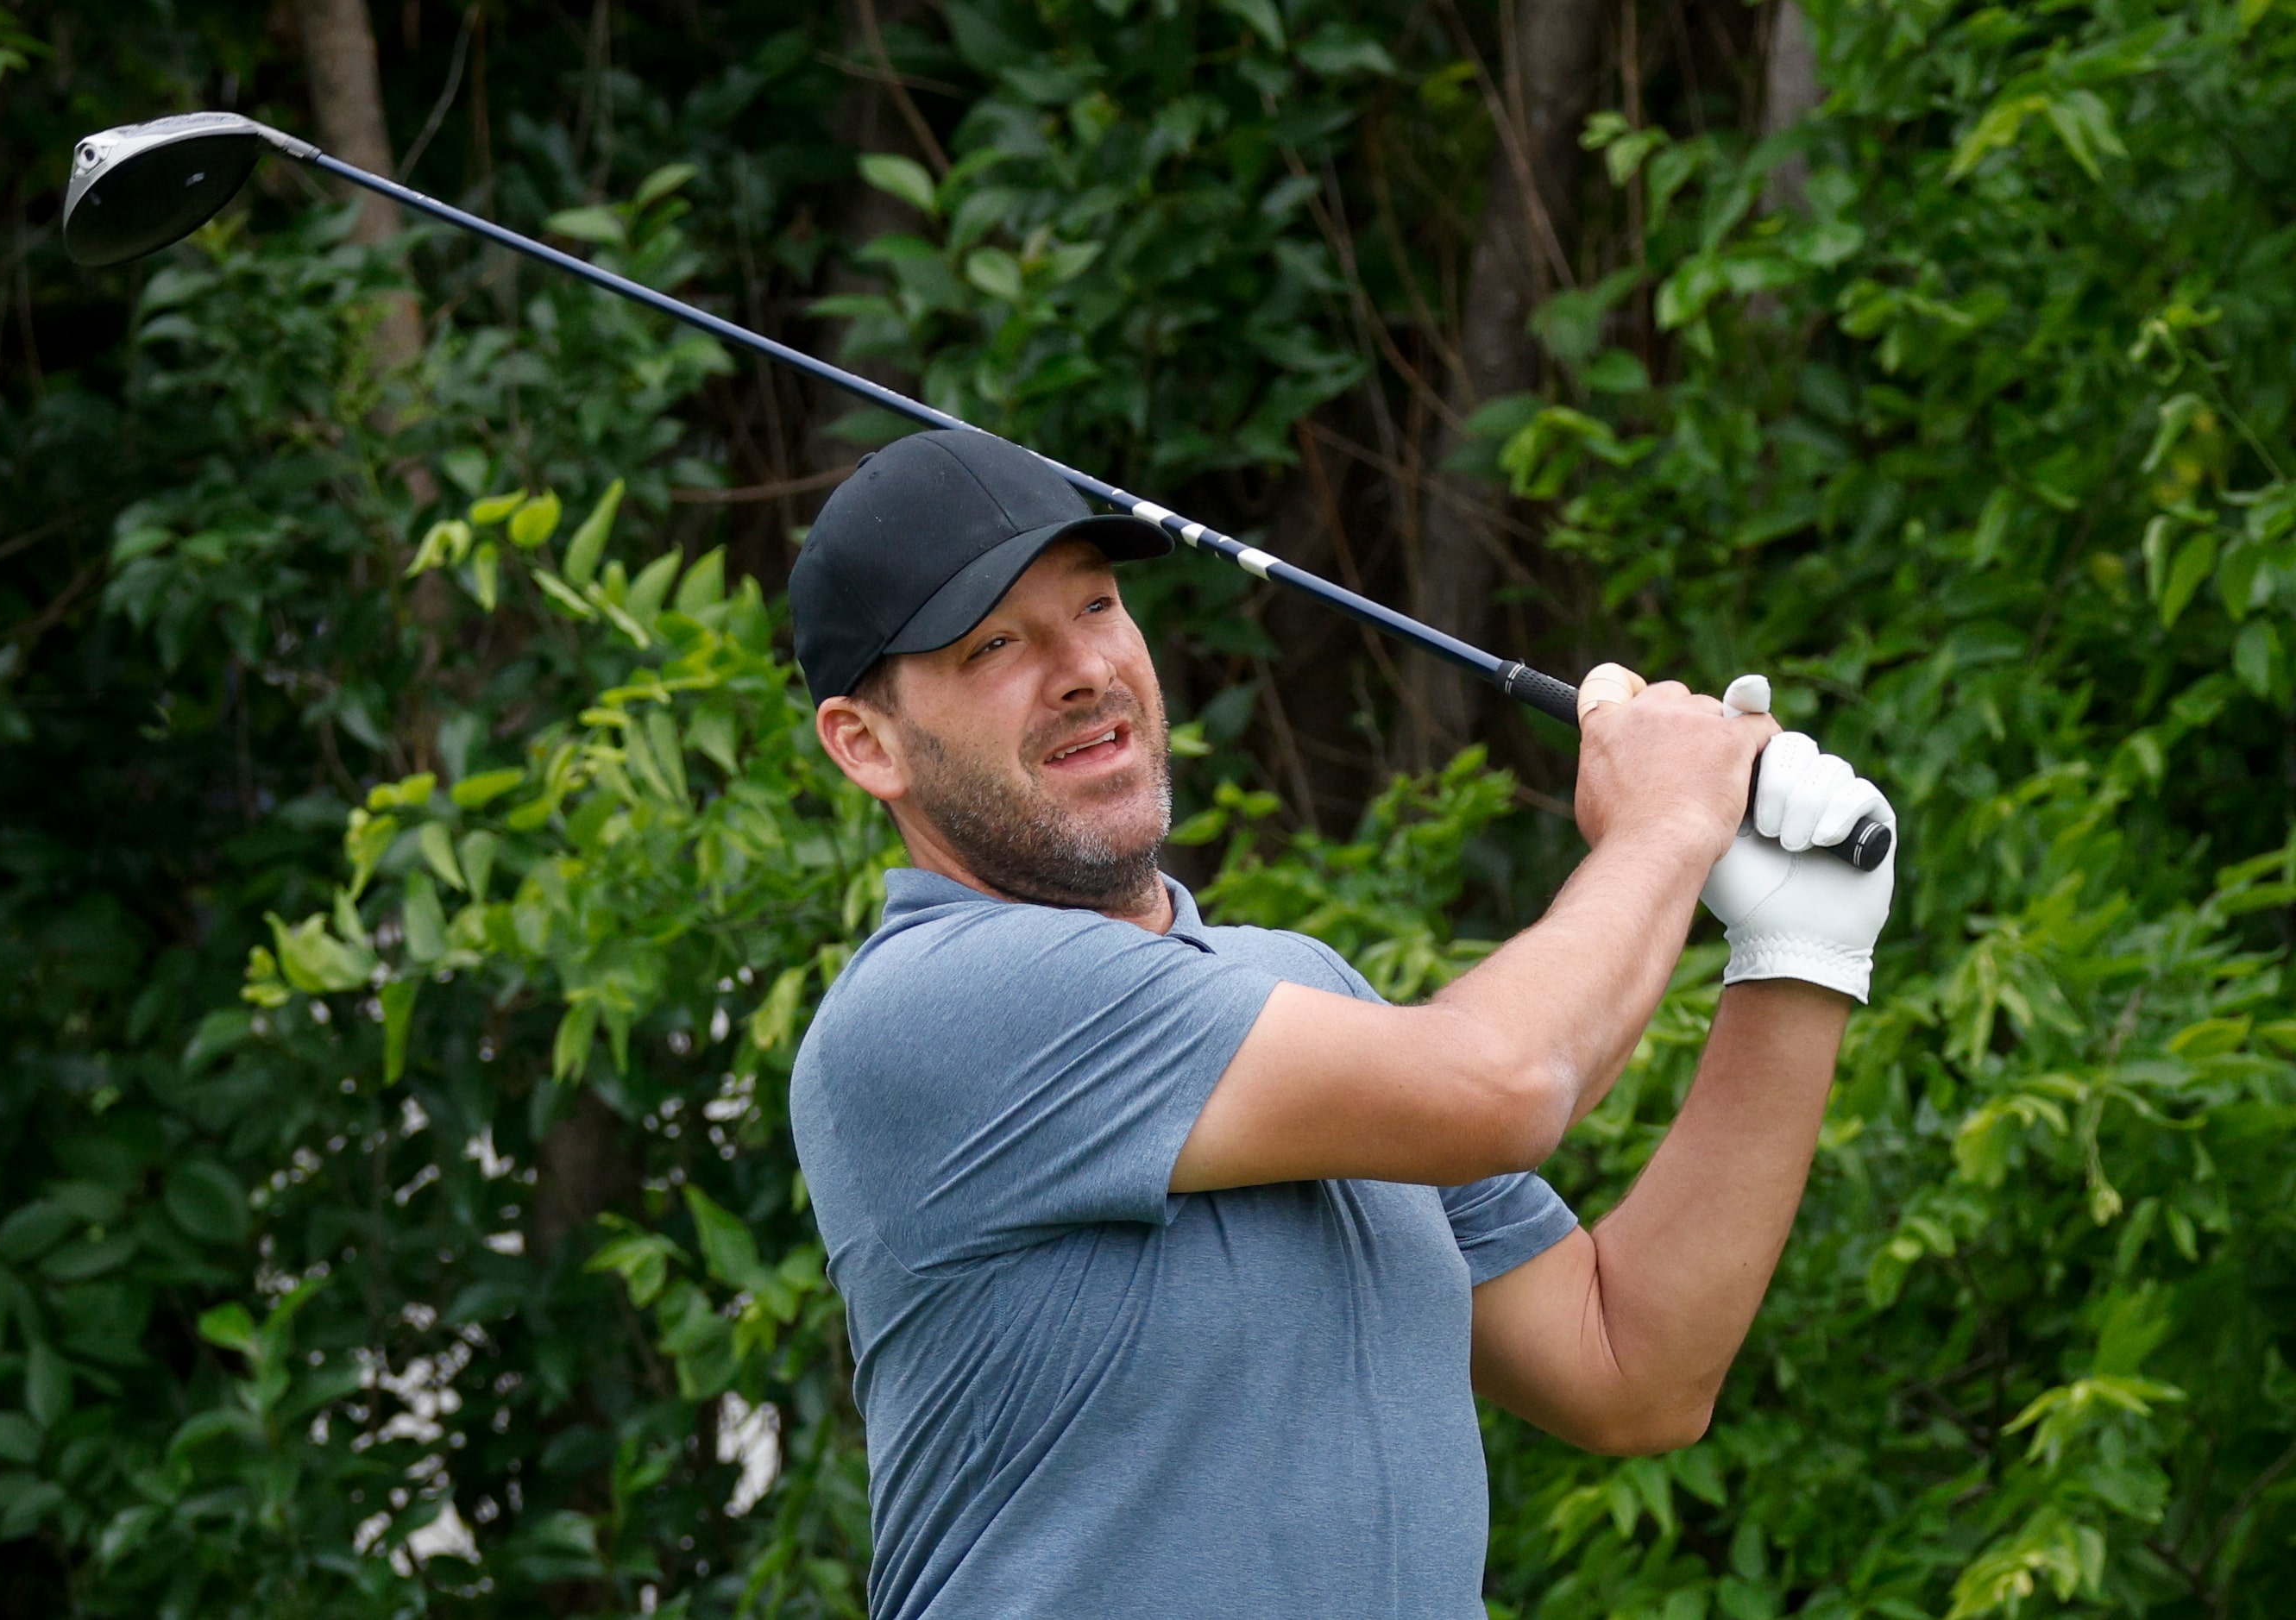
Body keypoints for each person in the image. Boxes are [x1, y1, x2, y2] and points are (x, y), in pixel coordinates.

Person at [784, 430, 1897, 1619]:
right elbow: (1508, 1083)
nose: (1081, 668)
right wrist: (1670, 820)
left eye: (1098, 604)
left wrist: (1802, 955)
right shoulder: (934, 1004)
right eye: (994, 642)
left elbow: (1630, 1369)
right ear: (868, 743)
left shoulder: (1296, 985)